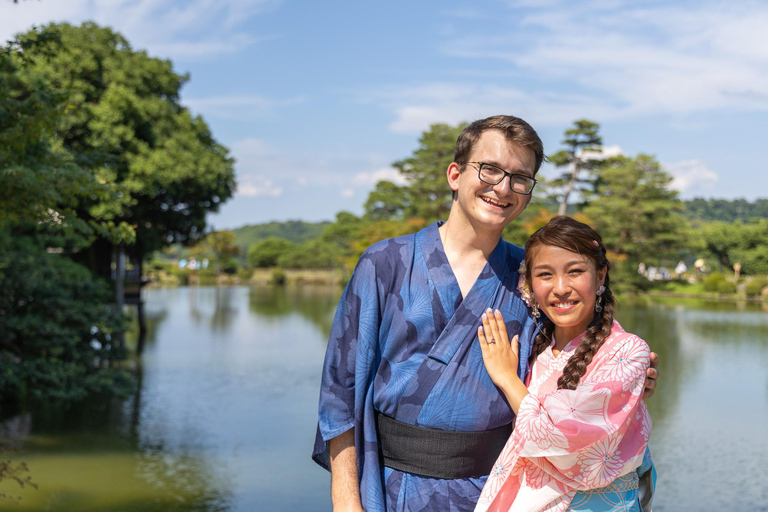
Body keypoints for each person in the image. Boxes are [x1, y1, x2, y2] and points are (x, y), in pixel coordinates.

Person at [313, 115, 658, 512]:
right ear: (455, 174)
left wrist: (630, 372)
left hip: (501, 489)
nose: (503, 188)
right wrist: (346, 501)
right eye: (490, 169)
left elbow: (582, 342)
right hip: (395, 487)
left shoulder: (529, 276)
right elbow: (340, 394)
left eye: (519, 178)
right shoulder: (385, 263)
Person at [475, 216, 655, 512]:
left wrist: (508, 379)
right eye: (545, 274)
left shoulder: (627, 352)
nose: (560, 288)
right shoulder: (535, 347)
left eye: (575, 272)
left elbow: (558, 440)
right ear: (529, 284)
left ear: (600, 276)